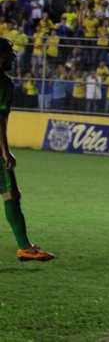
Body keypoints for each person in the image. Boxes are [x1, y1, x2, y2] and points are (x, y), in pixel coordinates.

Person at [0, 37, 54, 262]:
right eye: (10, 53)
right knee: (11, 193)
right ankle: (25, 248)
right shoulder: (3, 81)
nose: (14, 57)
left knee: (11, 192)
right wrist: (5, 150)